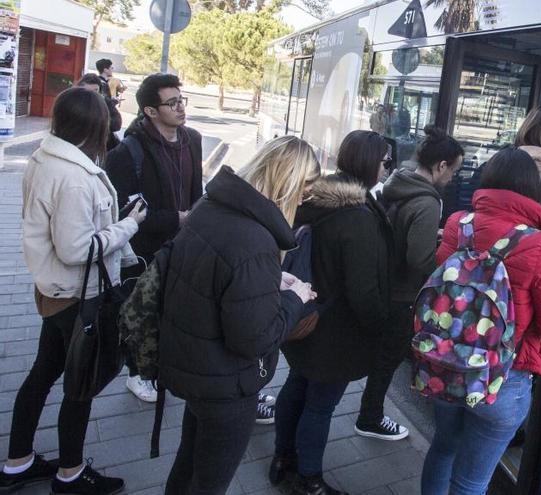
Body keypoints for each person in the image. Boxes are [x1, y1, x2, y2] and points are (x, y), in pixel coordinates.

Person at [1, 87, 146, 495]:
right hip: (78, 297)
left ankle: (18, 462)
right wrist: (130, 224)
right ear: (97, 126)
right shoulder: (74, 178)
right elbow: (77, 249)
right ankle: (70, 474)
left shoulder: (46, 158)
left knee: (43, 373)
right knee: (81, 385)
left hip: (54, 291)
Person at [161, 136, 320, 495]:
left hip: (192, 364)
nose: (303, 200)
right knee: (209, 482)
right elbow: (254, 339)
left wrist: (269, 279)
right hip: (225, 385)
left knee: (186, 465)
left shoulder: (212, 204)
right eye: (305, 190)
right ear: (288, 183)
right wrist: (294, 298)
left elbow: (214, 272)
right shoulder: (257, 238)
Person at [421, 147, 541, 495]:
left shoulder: (457, 225)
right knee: (471, 480)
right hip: (503, 379)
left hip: (445, 364)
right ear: (532, 190)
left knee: (443, 448)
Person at [270, 130, 392, 495]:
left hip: (304, 314)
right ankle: (309, 480)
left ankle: (282, 459)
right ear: (370, 164)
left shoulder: (317, 199)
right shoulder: (356, 217)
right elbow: (362, 290)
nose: (390, 167)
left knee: (296, 385)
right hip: (336, 331)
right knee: (320, 404)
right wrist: (380, 326)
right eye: (386, 161)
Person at [355, 126, 463, 441]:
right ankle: (370, 417)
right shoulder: (428, 202)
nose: (453, 178)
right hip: (402, 294)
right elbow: (419, 259)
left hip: (383, 281)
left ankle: (369, 413)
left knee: (381, 354)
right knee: (388, 359)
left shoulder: (397, 183)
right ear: (441, 166)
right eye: (453, 170)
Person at [104, 73, 203, 405]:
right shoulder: (128, 151)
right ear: (149, 110)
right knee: (141, 311)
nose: (180, 107)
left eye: (181, 99)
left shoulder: (192, 139)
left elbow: (196, 192)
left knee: (174, 311)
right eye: (171, 103)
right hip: (144, 252)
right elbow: (127, 213)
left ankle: (164, 365)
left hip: (183, 246)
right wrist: (178, 217)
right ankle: (136, 374)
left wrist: (195, 220)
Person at [76, 73, 121, 150]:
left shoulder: (105, 102)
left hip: (101, 144)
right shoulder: (74, 102)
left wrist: (99, 122)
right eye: (88, 91)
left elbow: (117, 123)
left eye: (95, 91)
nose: (92, 95)